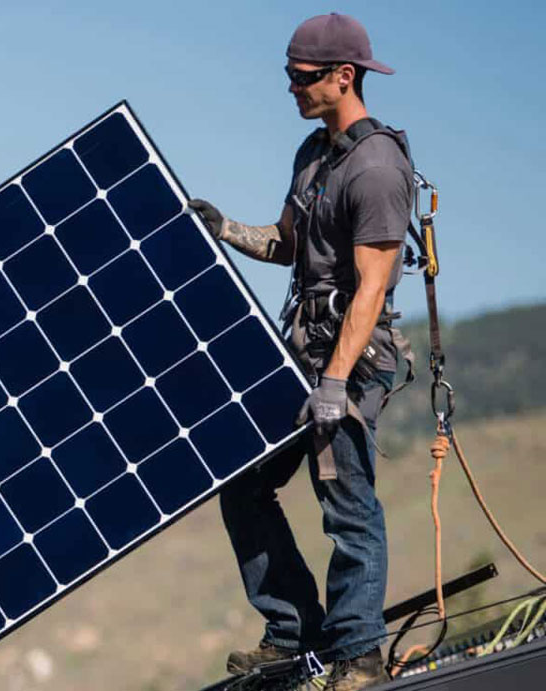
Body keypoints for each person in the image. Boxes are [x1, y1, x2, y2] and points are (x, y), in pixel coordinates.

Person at [187, 13, 414, 691]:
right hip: (302, 354)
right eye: (288, 75)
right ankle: (294, 630)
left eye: (302, 77)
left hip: (349, 361)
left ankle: (361, 656)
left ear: (343, 77)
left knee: (343, 494)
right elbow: (288, 243)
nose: (290, 88)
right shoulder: (313, 156)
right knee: (245, 483)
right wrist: (222, 226)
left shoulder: (376, 166)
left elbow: (372, 285)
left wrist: (336, 384)